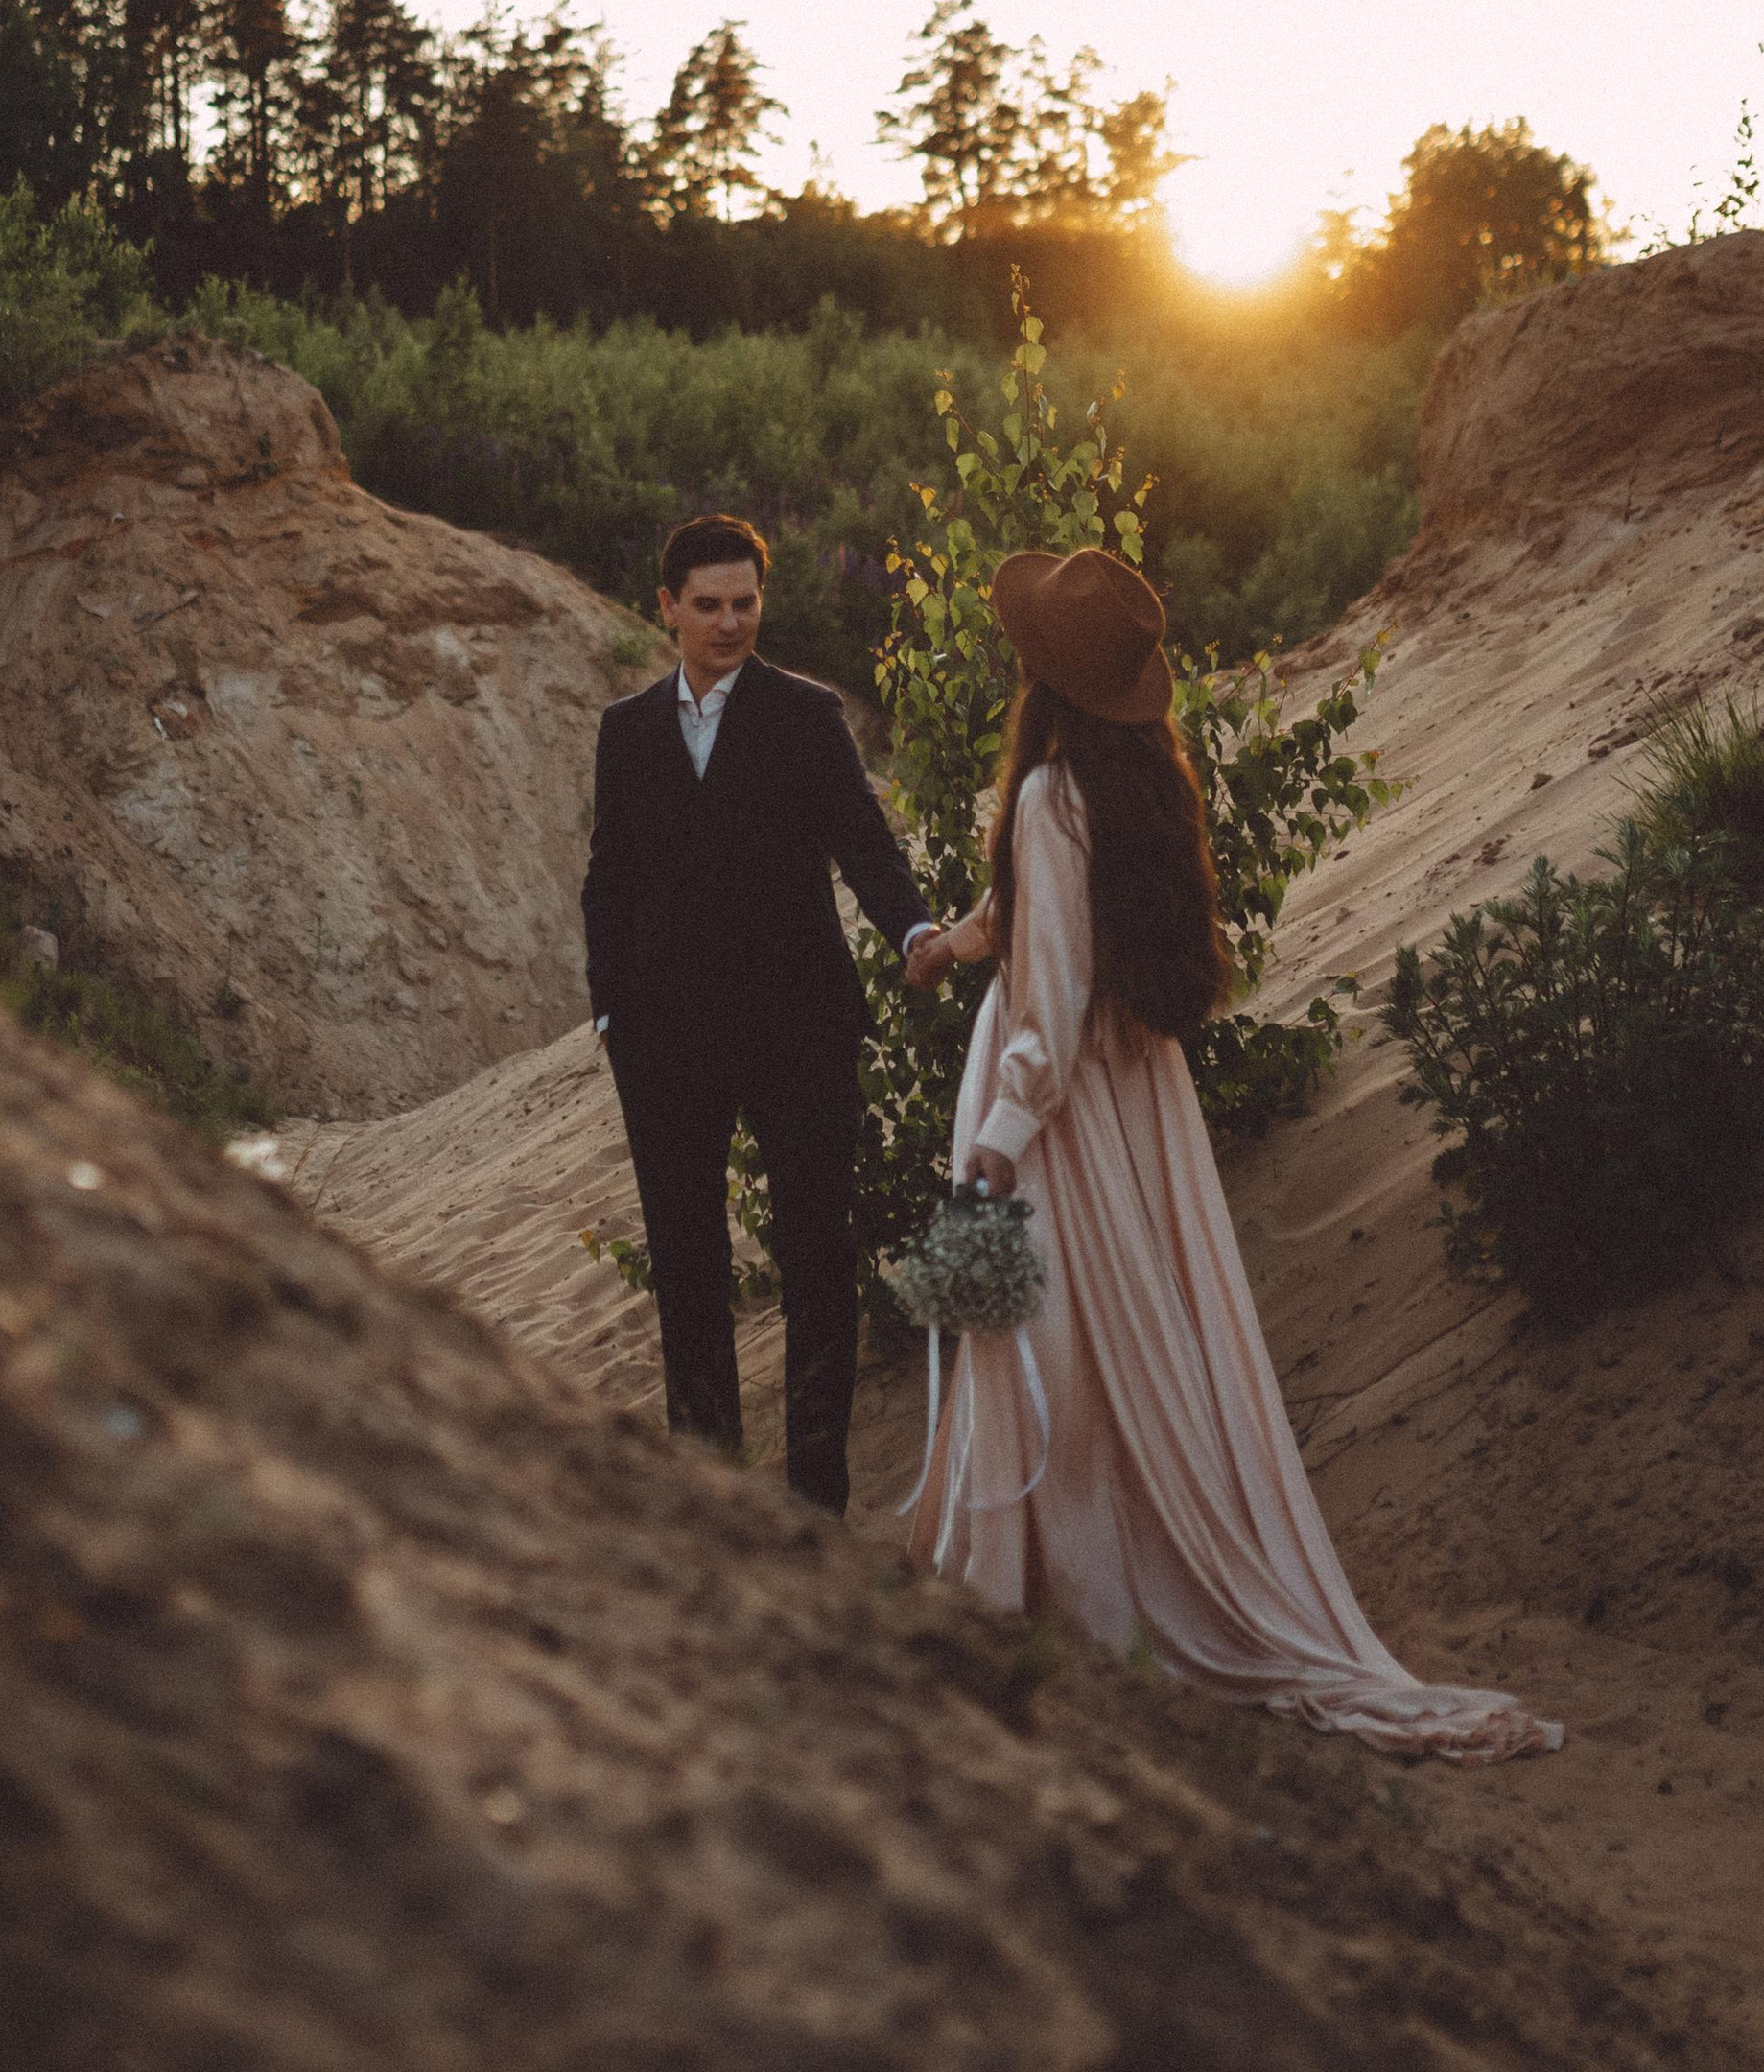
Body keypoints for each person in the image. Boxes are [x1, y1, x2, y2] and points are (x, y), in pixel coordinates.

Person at [906, 543, 1561, 1761]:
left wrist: (999, 1138)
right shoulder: (1134, 774)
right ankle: (1087, 1580)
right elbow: (1041, 921)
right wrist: (955, 942)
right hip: (1136, 1097)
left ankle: (1080, 1599)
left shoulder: (1051, 794)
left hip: (1062, 1114)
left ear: (1040, 671)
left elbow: (1051, 1001)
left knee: (1061, 1356)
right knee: (1117, 1341)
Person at [583, 512, 943, 1514]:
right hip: (664, 1045)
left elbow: (865, 844)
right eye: (708, 605)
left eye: (745, 603)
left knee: (817, 1260)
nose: (730, 622)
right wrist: (610, 1008)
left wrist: (913, 932)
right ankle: (710, 1502)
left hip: (800, 1031)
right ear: (667, 608)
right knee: (687, 1267)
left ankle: (813, 1506)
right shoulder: (628, 730)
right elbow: (609, 879)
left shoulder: (806, 714)